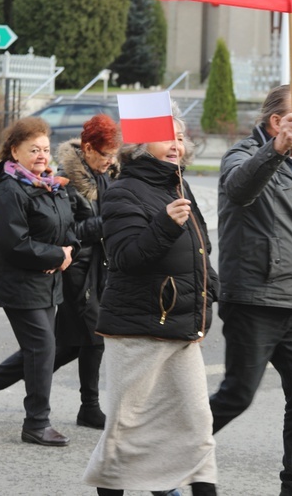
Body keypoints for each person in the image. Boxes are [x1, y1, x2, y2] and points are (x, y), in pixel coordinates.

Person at [83, 110, 219, 496]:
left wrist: (218, 292)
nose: (176, 143)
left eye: (180, 136)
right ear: (142, 145)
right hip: (137, 330)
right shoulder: (123, 190)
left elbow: (198, 254)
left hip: (181, 327)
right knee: (126, 427)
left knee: (196, 423)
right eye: (166, 137)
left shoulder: (179, 185)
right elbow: (125, 257)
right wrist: (164, 224)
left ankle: (180, 487)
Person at [209, 84, 292, 496]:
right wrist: (273, 150)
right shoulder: (243, 156)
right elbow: (239, 189)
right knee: (237, 395)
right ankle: (167, 454)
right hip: (255, 299)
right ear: (277, 122)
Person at [0, 117, 79, 447]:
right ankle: (36, 424)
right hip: (16, 281)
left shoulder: (49, 184)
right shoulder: (8, 191)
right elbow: (13, 243)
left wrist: (69, 249)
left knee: (41, 348)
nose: (42, 156)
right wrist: (57, 256)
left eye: (44, 149)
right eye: (33, 150)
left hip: (46, 281)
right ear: (14, 151)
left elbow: (67, 228)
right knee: (42, 347)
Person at [53, 113, 120, 429]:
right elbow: (68, 231)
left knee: (68, 346)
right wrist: (107, 224)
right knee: (92, 338)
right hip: (76, 270)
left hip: (99, 269)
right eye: (105, 153)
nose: (110, 160)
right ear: (88, 147)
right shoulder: (67, 179)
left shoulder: (106, 174)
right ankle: (89, 408)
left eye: (113, 154)